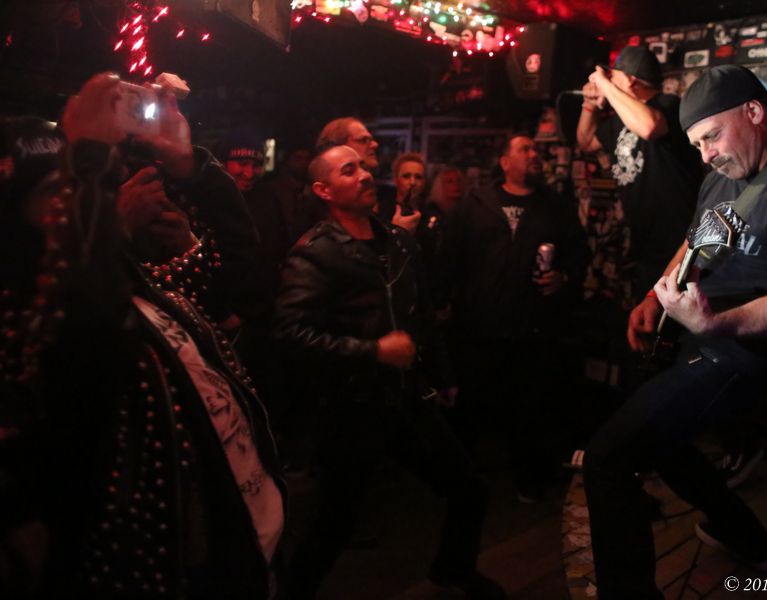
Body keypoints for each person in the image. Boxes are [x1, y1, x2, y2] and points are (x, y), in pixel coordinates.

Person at [0, 73, 284, 599]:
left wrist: (190, 166)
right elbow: (84, 349)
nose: (70, 201)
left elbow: (242, 273)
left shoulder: (139, 288)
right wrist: (91, 175)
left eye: (72, 188)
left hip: (245, 547)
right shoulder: (27, 323)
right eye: (54, 191)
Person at [581, 64, 767, 599]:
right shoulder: (723, 171)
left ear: (754, 112)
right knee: (665, 444)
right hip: (699, 336)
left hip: (741, 353)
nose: (706, 155)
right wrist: (654, 295)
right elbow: (697, 239)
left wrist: (712, 323)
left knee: (607, 459)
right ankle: (748, 539)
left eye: (711, 137)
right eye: (696, 144)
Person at [273, 143, 505, 600]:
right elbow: (289, 334)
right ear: (323, 190)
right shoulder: (316, 252)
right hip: (351, 406)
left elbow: (421, 316)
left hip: (405, 397)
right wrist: (372, 351)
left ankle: (453, 569)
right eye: (348, 170)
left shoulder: (398, 242)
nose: (364, 174)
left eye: (363, 167)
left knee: (469, 488)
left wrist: (442, 374)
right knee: (335, 522)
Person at [438, 134, 588, 501]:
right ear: (505, 162)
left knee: (530, 407)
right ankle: (460, 482)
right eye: (525, 149)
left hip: (532, 326)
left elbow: (579, 254)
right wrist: (442, 305)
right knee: (471, 406)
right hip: (479, 325)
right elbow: (449, 258)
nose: (534, 154)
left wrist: (564, 277)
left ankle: (527, 478)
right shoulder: (476, 204)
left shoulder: (555, 207)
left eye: (536, 149)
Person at [576, 45, 703, 298]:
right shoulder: (619, 119)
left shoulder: (669, 105)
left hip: (678, 237)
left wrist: (603, 84)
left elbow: (649, 127)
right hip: (642, 237)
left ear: (630, 79)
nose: (610, 81)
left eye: (614, 76)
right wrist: (589, 105)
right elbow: (586, 141)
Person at [315, 117, 421, 233]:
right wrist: (398, 233)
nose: (375, 144)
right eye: (363, 140)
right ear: (338, 148)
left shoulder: (385, 197)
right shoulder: (318, 211)